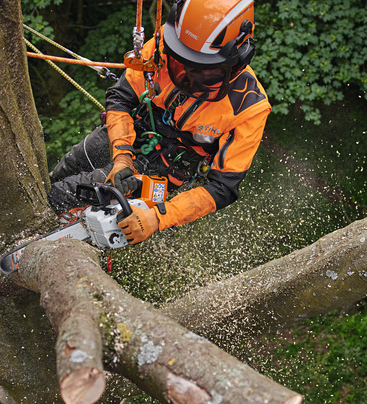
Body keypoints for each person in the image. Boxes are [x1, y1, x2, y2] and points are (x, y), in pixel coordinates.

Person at [48, 0, 271, 245]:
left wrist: (158, 217)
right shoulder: (170, 44)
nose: (187, 75)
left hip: (163, 167)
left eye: (204, 71)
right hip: (125, 133)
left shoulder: (249, 107)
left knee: (61, 196)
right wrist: (122, 156)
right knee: (51, 179)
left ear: (238, 60)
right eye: (181, 63)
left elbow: (223, 188)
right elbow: (121, 97)